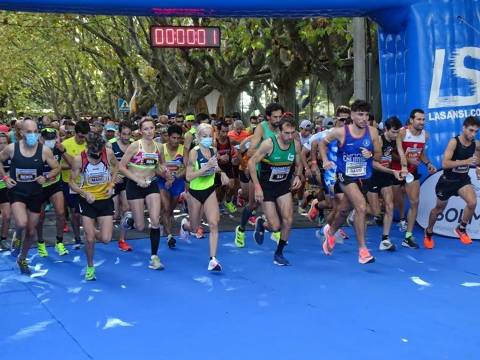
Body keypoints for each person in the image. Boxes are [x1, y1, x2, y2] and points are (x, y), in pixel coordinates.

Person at [319, 100, 381, 264]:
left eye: (366, 115)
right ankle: (363, 250)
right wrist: (325, 160)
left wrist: (371, 155)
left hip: (364, 177)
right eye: (360, 114)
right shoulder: (341, 132)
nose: (364, 118)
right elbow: (322, 143)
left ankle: (330, 232)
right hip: (345, 176)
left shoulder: (373, 132)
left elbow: (379, 155)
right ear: (352, 115)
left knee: (344, 211)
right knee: (361, 206)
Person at [0, 119, 60, 274]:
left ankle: (22, 258)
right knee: (21, 223)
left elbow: (57, 167)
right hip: (17, 192)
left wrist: (46, 177)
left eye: (35, 131)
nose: (32, 134)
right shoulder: (12, 148)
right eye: (29, 131)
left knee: (31, 232)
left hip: (35, 194)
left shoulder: (44, 150)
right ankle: (16, 237)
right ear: (21, 133)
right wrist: (5, 178)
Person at [248, 116, 302, 266]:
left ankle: (279, 253)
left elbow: (299, 163)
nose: (290, 136)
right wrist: (257, 186)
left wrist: (298, 176)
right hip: (267, 187)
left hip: (283, 186)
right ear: (279, 131)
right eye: (286, 133)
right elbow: (251, 163)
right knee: (275, 226)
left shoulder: (296, 144)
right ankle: (262, 223)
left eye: (292, 133)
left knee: (289, 220)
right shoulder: (268, 144)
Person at [424, 116, 480, 249]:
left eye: (476, 131)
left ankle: (461, 228)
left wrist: (478, 167)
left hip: (462, 180)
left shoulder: (476, 144)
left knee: (472, 202)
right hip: (447, 181)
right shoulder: (454, 142)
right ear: (464, 128)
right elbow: (445, 164)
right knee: (438, 209)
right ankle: (429, 231)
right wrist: (465, 162)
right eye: (471, 130)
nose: (473, 134)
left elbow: (478, 157)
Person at [180, 123, 229, 271]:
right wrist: (204, 168)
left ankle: (212, 260)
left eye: (209, 136)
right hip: (195, 192)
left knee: (214, 223)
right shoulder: (194, 153)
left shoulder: (213, 150)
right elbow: (188, 176)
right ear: (198, 137)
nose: (207, 139)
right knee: (195, 228)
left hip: (209, 190)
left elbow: (214, 166)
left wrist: (223, 172)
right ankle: (185, 225)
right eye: (204, 136)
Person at [69, 132, 118, 280]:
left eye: (99, 152)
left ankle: (94, 231)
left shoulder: (108, 154)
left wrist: (112, 184)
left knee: (106, 239)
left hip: (105, 200)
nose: (97, 155)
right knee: (89, 240)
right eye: (94, 153)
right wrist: (84, 193)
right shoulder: (79, 159)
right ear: (88, 148)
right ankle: (90, 266)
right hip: (87, 202)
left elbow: (117, 167)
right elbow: (71, 182)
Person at [119, 117, 164, 270]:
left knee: (155, 221)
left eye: (151, 128)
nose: (149, 131)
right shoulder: (134, 146)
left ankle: (154, 257)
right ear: (140, 131)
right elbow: (121, 166)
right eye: (145, 129)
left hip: (151, 185)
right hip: (134, 185)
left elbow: (159, 166)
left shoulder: (159, 147)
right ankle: (129, 219)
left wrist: (165, 172)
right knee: (139, 226)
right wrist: (136, 179)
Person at [395, 109, 437, 249]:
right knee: (389, 205)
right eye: (419, 119)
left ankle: (408, 237)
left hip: (411, 172)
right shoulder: (402, 132)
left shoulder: (425, 135)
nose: (422, 122)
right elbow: (397, 153)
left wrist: (428, 164)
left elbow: (421, 154)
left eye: (423, 120)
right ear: (411, 120)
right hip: (395, 171)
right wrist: (406, 163)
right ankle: (385, 236)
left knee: (415, 202)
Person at [367, 116, 404, 251]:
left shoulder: (396, 139)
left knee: (390, 205)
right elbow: (373, 164)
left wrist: (404, 167)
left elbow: (401, 154)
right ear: (386, 130)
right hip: (372, 175)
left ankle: (385, 239)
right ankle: (356, 210)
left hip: (386, 175)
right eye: (393, 132)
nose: (396, 135)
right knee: (375, 212)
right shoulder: (379, 142)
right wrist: (392, 171)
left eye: (397, 132)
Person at [36, 128, 69, 257]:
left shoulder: (58, 148)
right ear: (41, 139)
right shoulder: (34, 150)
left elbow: (71, 164)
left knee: (61, 213)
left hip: (54, 184)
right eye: (47, 139)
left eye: (52, 139)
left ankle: (59, 242)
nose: (50, 141)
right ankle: (40, 242)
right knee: (40, 216)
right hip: (38, 186)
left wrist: (64, 152)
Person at [61, 120, 90, 249]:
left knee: (87, 212)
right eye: (80, 136)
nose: (82, 139)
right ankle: (77, 238)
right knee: (75, 213)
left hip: (86, 183)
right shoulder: (65, 144)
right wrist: (73, 167)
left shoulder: (89, 145)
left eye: (85, 136)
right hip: (69, 183)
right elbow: (58, 165)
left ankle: (89, 236)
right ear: (75, 133)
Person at [158, 125, 186, 249]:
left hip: (177, 181)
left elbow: (187, 168)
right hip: (162, 181)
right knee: (166, 206)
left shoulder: (184, 149)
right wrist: (166, 177)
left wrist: (174, 178)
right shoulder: (160, 148)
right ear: (168, 137)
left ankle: (162, 221)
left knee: (170, 211)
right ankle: (169, 236)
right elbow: (155, 167)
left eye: (178, 138)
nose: (176, 140)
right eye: (173, 138)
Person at [108, 121, 133, 251]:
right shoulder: (110, 145)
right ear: (119, 134)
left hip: (127, 181)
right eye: (124, 134)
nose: (126, 137)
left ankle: (123, 239)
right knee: (115, 214)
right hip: (112, 180)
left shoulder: (133, 145)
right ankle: (102, 233)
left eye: (129, 134)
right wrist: (113, 174)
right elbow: (104, 162)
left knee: (127, 209)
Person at [0, 133, 11, 251]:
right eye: (0, 143)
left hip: (4, 189)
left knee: (7, 216)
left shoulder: (12, 155)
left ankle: (3, 239)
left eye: (5, 143)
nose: (2, 146)